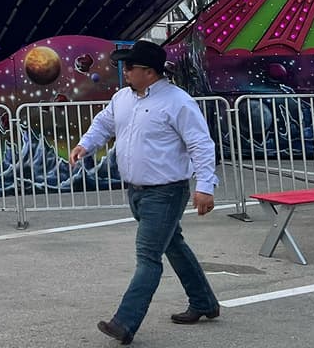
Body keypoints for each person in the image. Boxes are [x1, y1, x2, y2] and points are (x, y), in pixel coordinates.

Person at [68, 40, 220, 345]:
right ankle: (204, 302)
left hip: (166, 192)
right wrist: (87, 144)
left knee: (148, 256)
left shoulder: (178, 102)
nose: (124, 72)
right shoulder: (123, 98)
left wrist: (205, 186)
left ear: (149, 72)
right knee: (173, 244)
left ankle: (125, 322)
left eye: (130, 67)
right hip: (136, 191)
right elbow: (104, 123)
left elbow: (201, 144)